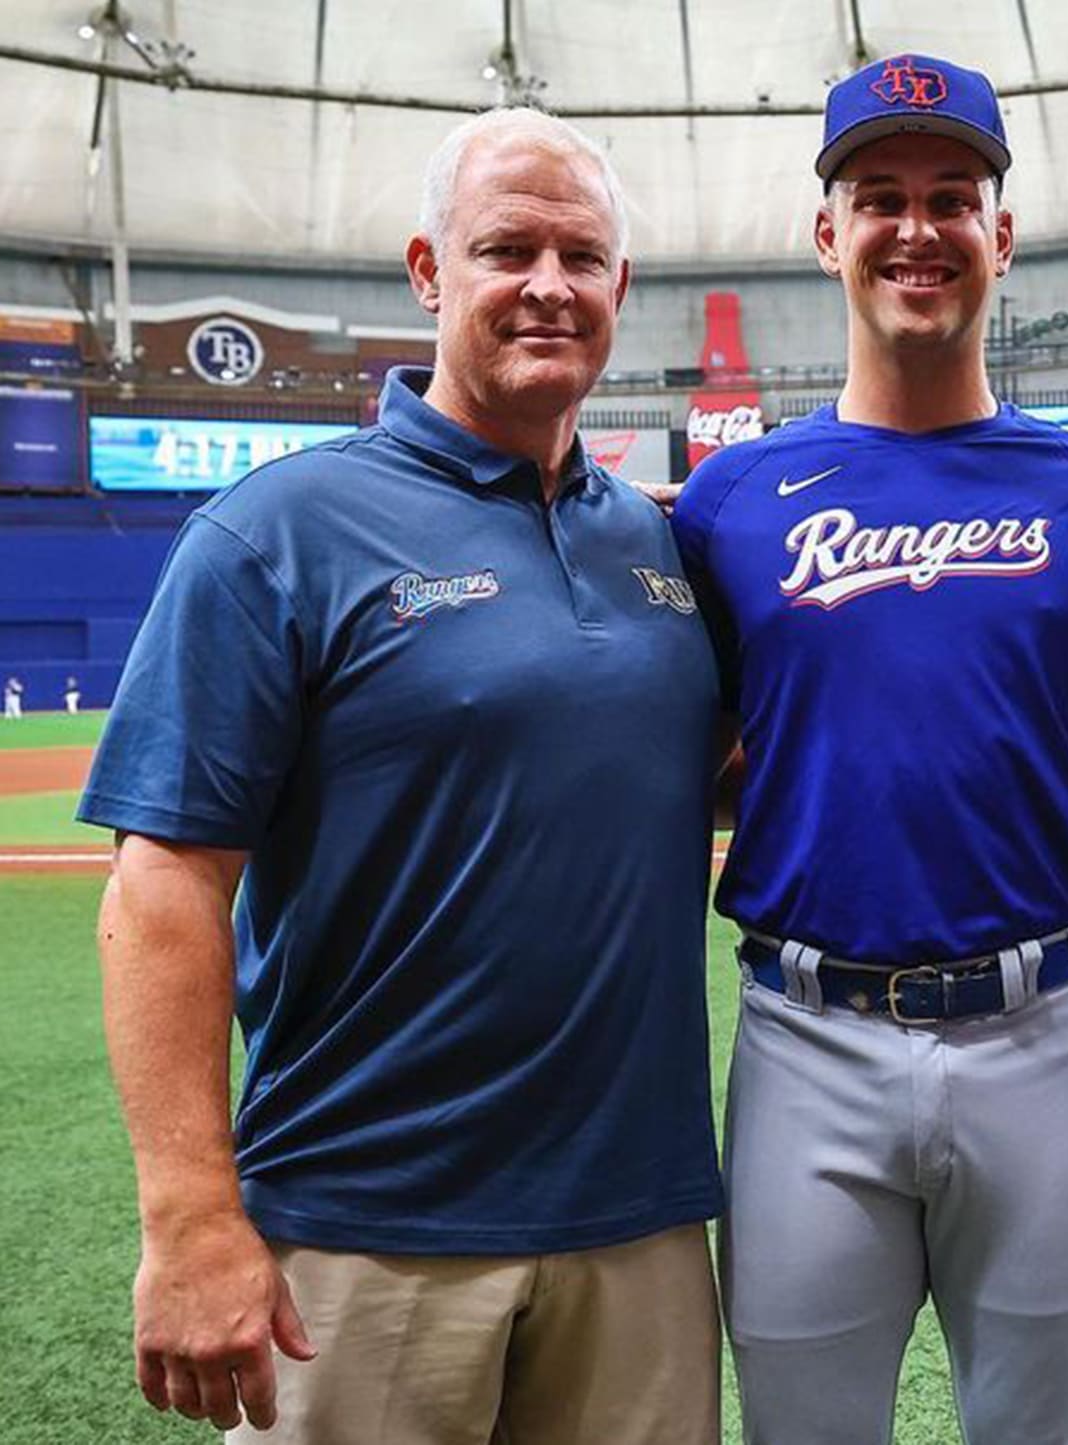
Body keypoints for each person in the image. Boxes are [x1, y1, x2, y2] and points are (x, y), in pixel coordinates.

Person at [78, 108, 723, 1445]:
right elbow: (164, 885)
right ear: (430, 270)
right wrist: (191, 1215)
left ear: (622, 290)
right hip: (365, 1231)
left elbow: (688, 784)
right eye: (507, 249)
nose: (547, 283)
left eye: (580, 254)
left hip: (639, 1224)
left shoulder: (660, 544)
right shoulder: (277, 533)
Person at [668, 54, 1068, 1445]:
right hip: (805, 1037)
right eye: (878, 195)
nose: (918, 227)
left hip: (1039, 1032)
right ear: (827, 233)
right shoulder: (730, 502)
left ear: (1000, 236)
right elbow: (674, 760)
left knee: (1039, 1428)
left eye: (954, 196)